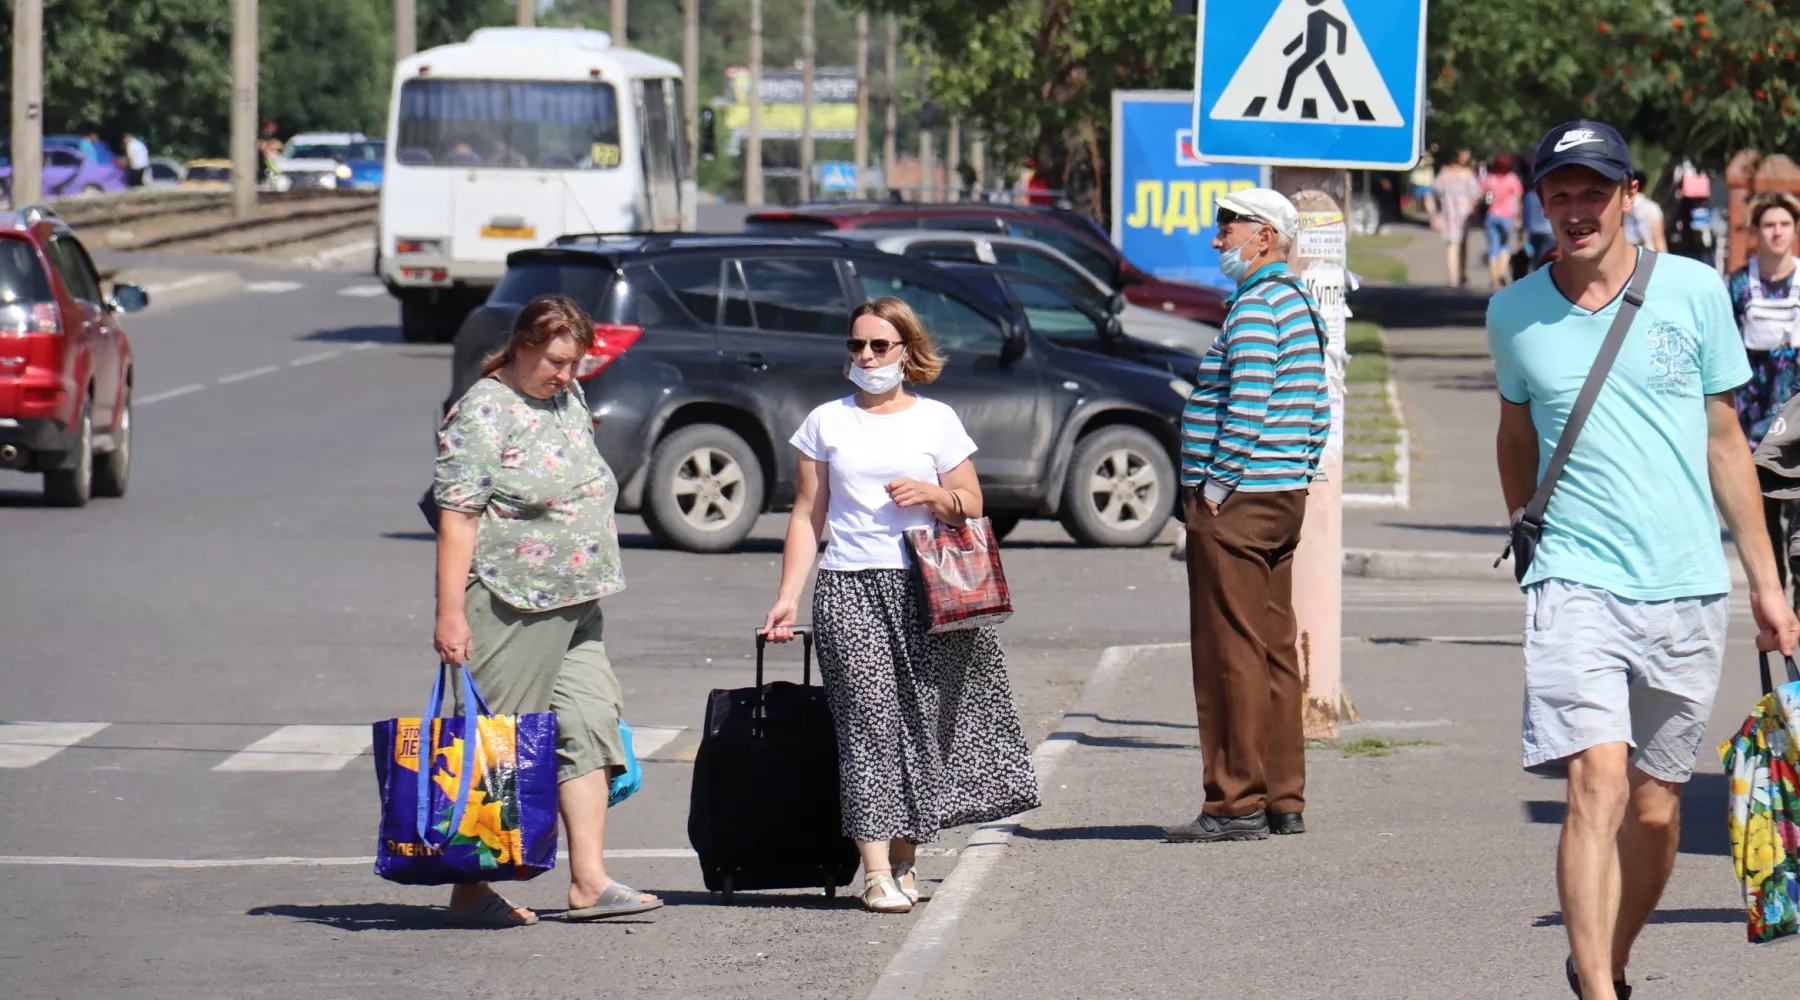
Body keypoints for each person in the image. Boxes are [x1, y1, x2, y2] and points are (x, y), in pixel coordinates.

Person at [1486, 119, 1799, 1000]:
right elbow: (1513, 435)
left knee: (1657, 811)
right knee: (1598, 781)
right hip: (1575, 579)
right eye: (1560, 193)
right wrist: (1527, 524)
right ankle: (1594, 990)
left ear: (1630, 196)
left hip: (1688, 584)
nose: (1576, 209)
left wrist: (1767, 587)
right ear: (1541, 202)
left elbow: (1724, 440)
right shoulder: (1513, 312)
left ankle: (1609, 958)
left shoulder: (1697, 293)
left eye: (1594, 191)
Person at [762, 297, 1040, 914]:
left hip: (927, 585)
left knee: (924, 721)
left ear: (907, 352)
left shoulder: (936, 420)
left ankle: (909, 855)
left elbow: (973, 500)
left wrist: (935, 496)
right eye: (856, 345)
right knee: (867, 725)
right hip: (848, 587)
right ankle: (876, 869)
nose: (865, 356)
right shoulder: (825, 422)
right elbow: (808, 514)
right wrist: (788, 596)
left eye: (878, 346)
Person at [433, 295, 661, 927]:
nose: (566, 375)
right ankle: (471, 889)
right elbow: (456, 517)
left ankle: (589, 881)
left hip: (577, 599)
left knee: (589, 724)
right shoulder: (483, 410)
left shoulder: (565, 396)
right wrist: (450, 613)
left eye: (576, 363)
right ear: (523, 346)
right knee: (498, 743)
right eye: (557, 361)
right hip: (511, 599)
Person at [1164, 188, 1330, 845]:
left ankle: (1233, 803)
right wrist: (1298, 469)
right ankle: (1283, 797)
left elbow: (1250, 399)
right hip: (1280, 495)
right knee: (1271, 649)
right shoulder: (1299, 305)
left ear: (1266, 236)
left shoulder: (1258, 307)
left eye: (1227, 227)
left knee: (1226, 651)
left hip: (1236, 502)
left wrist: (1215, 485)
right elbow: (1318, 410)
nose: (1217, 240)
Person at [1729, 191, 1800, 597]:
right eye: (1769, 225)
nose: (1777, 232)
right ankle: (1775, 594)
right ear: (1756, 231)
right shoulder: (1738, 285)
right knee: (1764, 518)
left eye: (1784, 225)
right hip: (1754, 426)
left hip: (1798, 419)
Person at [1431, 149, 1481, 287]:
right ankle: (1462, 274)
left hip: (1449, 211)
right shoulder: (1468, 175)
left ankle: (1452, 277)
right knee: (1463, 244)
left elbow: (1437, 190)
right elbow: (1475, 194)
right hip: (1464, 213)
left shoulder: (1444, 173)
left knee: (1451, 245)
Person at [1481, 153, 1525, 289]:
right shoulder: (1512, 179)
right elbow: (1517, 199)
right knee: (1505, 246)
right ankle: (1502, 273)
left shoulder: (1489, 178)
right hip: (1507, 216)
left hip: (1492, 215)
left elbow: (1483, 196)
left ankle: (1493, 279)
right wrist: (1518, 217)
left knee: (1493, 247)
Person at [1621, 171, 1669, 253]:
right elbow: (1658, 239)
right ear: (1644, 187)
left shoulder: (1620, 206)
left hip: (1624, 255)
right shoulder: (1652, 208)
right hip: (1648, 258)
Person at [1521, 181, 1557, 269]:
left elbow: (1525, 215)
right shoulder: (1548, 195)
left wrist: (1523, 230)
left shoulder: (1529, 196)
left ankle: (1538, 277)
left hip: (1533, 231)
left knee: (1535, 258)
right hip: (1549, 231)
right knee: (1548, 258)